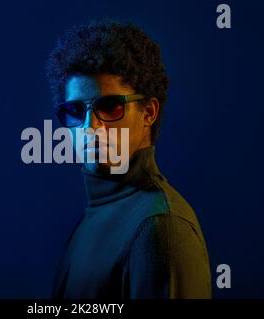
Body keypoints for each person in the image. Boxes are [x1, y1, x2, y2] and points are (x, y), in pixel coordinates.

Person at [46, 20, 211, 299]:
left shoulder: (162, 228)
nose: (90, 127)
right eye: (75, 110)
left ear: (148, 112)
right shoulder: (96, 216)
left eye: (109, 106)